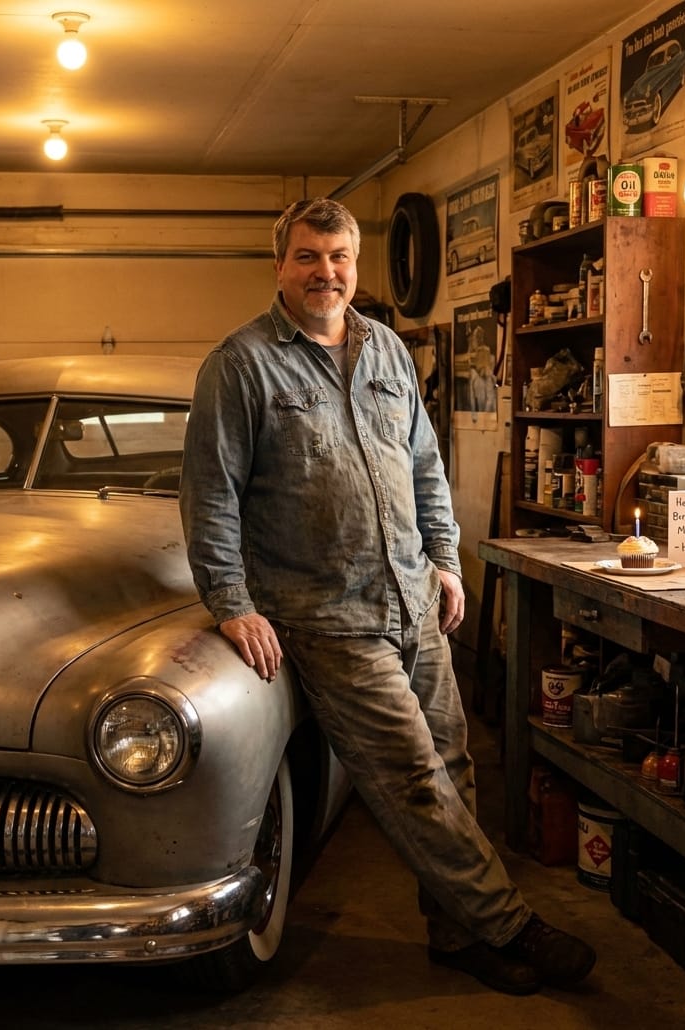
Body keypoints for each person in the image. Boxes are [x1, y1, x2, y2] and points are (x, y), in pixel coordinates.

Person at [179, 196, 596, 996]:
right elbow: (211, 497)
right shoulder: (241, 365)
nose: (324, 272)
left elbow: (424, 466)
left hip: (413, 599)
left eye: (338, 257)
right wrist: (232, 601)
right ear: (280, 266)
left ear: (356, 267)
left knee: (453, 764)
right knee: (411, 778)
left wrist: (445, 558)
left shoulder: (389, 354)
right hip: (327, 617)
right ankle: (509, 924)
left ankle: (455, 935)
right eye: (308, 256)